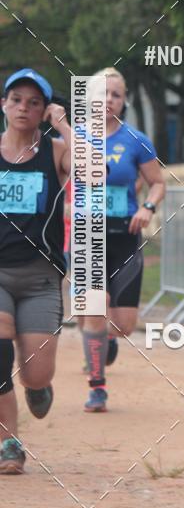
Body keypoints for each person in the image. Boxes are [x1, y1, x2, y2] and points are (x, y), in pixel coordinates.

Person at [76, 68, 165, 412]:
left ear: (124, 101)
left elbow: (158, 183)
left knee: (124, 325)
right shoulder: (76, 137)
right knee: (94, 311)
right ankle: (97, 387)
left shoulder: (135, 140)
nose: (108, 100)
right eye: (102, 93)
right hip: (88, 236)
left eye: (115, 94)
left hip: (125, 236)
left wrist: (147, 207)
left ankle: (104, 339)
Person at [0, 68, 71, 474]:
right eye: (16, 100)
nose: (23, 108)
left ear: (45, 109)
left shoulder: (55, 151)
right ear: (3, 105)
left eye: (34, 102)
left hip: (40, 278)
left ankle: (37, 387)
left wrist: (63, 126)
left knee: (36, 373)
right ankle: (9, 442)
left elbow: (95, 171)